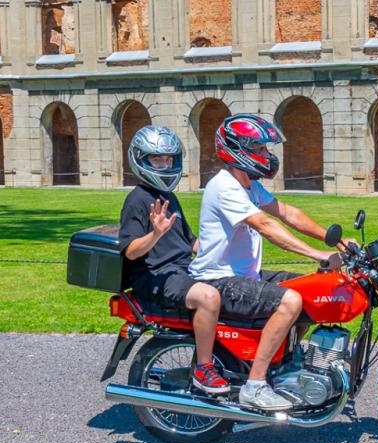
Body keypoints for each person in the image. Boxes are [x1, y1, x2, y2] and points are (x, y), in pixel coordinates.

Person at [189, 114, 344, 411]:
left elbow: (285, 212)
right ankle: (255, 385)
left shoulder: (248, 184)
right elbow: (266, 225)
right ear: (237, 149)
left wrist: (333, 239)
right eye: (259, 149)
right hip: (217, 279)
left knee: (312, 289)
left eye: (264, 149)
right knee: (290, 301)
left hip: (246, 275)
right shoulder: (225, 186)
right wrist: (318, 254)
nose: (266, 155)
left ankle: (290, 362)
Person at [116, 125, 231, 396]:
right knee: (208, 297)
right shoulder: (137, 200)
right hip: (153, 275)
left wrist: (226, 245)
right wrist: (155, 233)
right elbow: (131, 250)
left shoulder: (168, 196)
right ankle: (203, 369)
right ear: (141, 160)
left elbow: (190, 242)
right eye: (157, 159)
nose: (165, 165)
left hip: (180, 270)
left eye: (169, 159)